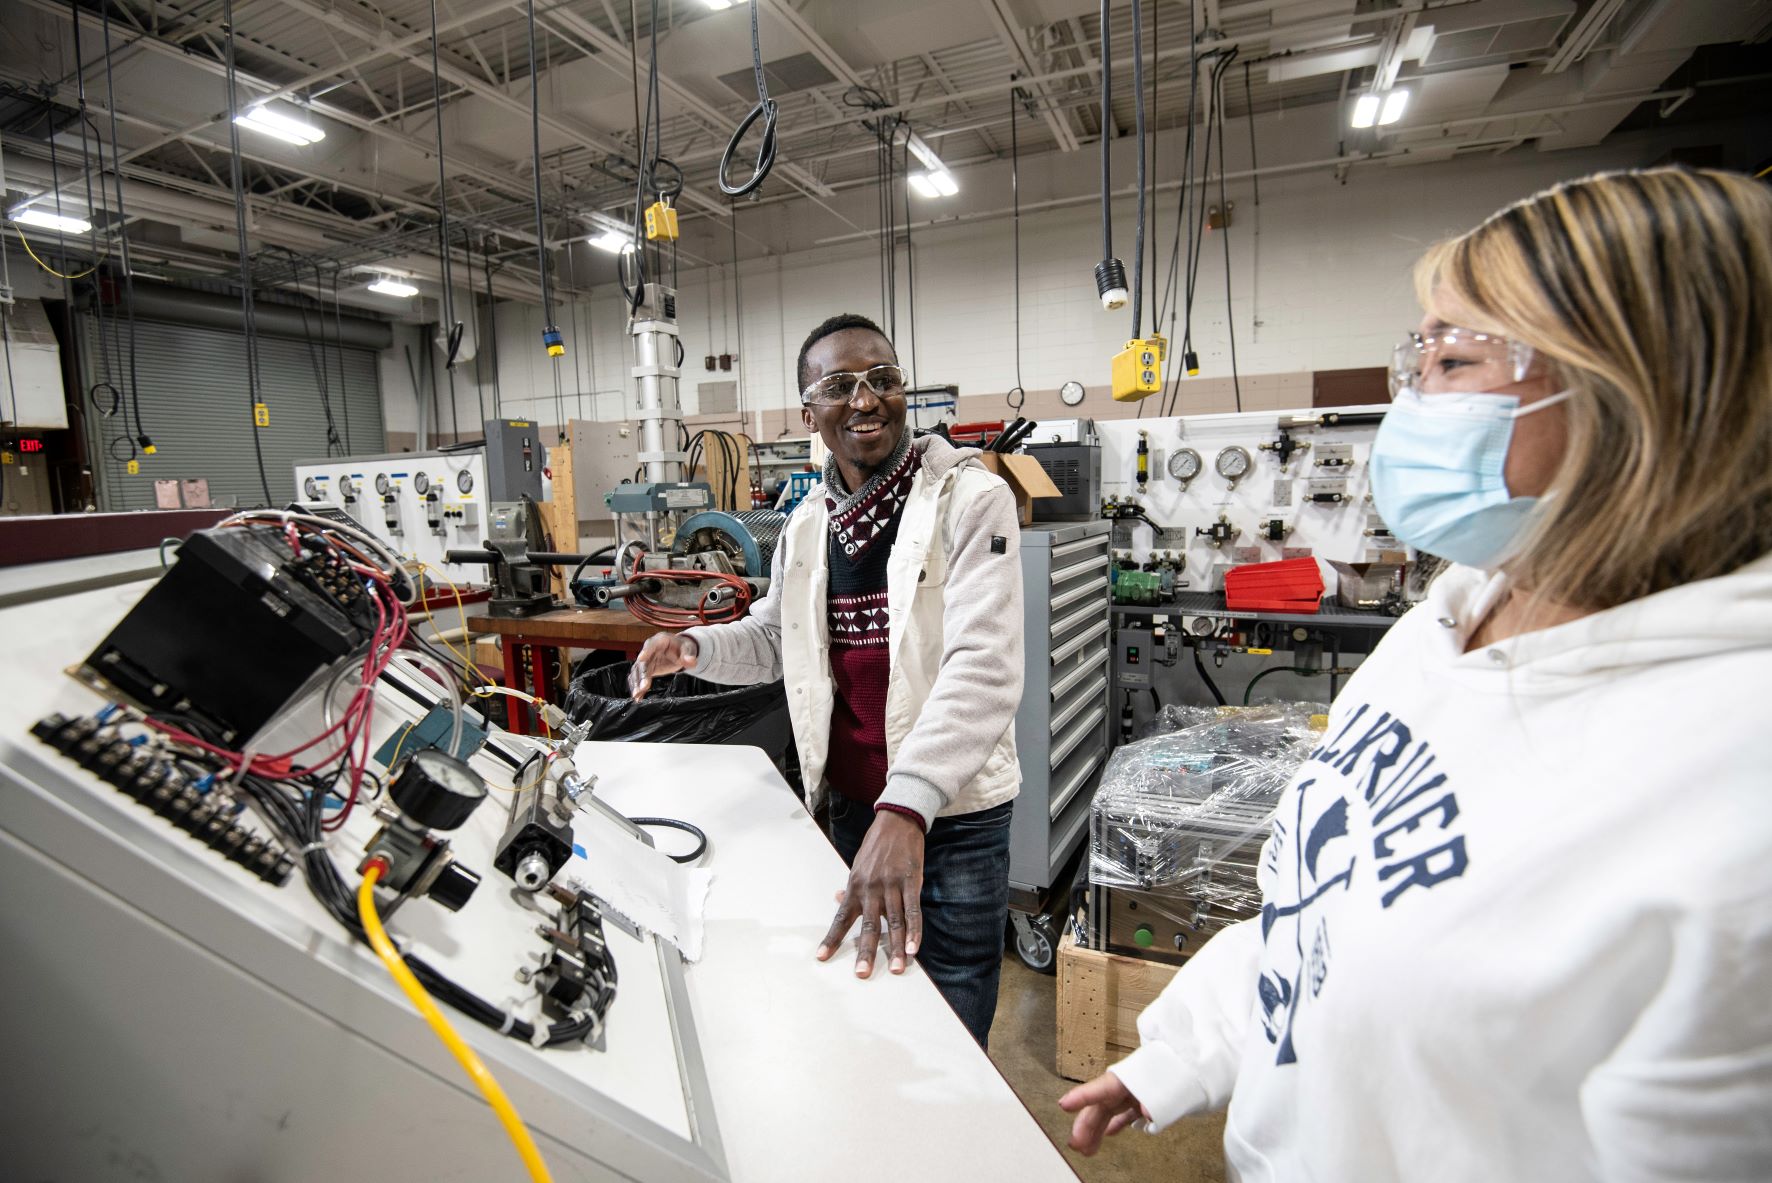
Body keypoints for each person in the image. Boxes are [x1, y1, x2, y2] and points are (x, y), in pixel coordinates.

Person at [1060, 166, 1772, 1179]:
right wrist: (1183, 1053)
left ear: (1635, 392)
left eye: (1448, 356)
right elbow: (1318, 916)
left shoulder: (1731, 794)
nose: (1409, 395)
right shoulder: (1449, 619)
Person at [632, 313, 1026, 1047]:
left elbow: (986, 666)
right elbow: (781, 638)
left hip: (954, 818)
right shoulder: (810, 521)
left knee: (951, 1015)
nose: (866, 399)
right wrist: (694, 648)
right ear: (810, 412)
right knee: (869, 1000)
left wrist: (906, 808)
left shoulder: (970, 500)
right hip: (851, 808)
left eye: (883, 379)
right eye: (840, 385)